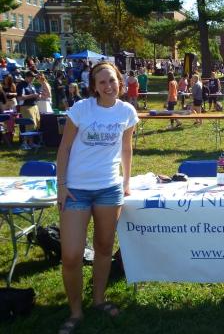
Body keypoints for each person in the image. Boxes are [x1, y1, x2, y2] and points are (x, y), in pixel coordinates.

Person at [56, 62, 138, 334]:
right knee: (71, 255)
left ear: (120, 82)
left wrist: (125, 182)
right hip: (76, 190)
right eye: (101, 82)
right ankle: (75, 311)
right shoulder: (81, 109)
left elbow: (126, 148)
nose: (108, 86)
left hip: (109, 189)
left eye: (112, 81)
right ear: (94, 86)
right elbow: (65, 148)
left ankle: (99, 299)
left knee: (104, 249)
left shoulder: (127, 112)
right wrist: (62, 184)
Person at [16, 71, 41, 150]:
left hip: (34, 106)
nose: (32, 79)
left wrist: (37, 96)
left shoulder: (31, 84)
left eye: (33, 77)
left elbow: (34, 95)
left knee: (35, 124)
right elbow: (19, 98)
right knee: (28, 125)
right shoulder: (21, 85)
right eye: (31, 77)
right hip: (26, 107)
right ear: (26, 77)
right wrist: (32, 95)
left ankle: (31, 143)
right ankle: (25, 143)